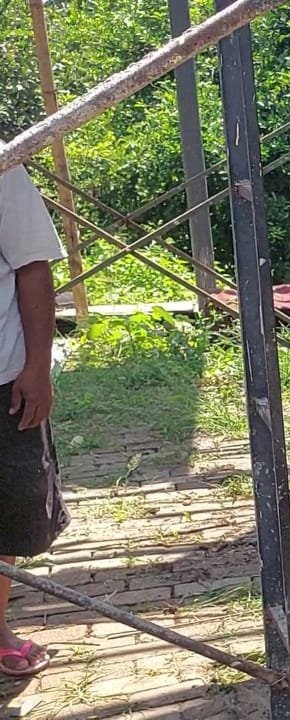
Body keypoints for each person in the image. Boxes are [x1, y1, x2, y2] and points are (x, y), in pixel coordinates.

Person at [0, 165, 70, 679]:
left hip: (1, 375)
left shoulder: (1, 162)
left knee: (8, 512)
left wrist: (37, 367)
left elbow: (32, 265)